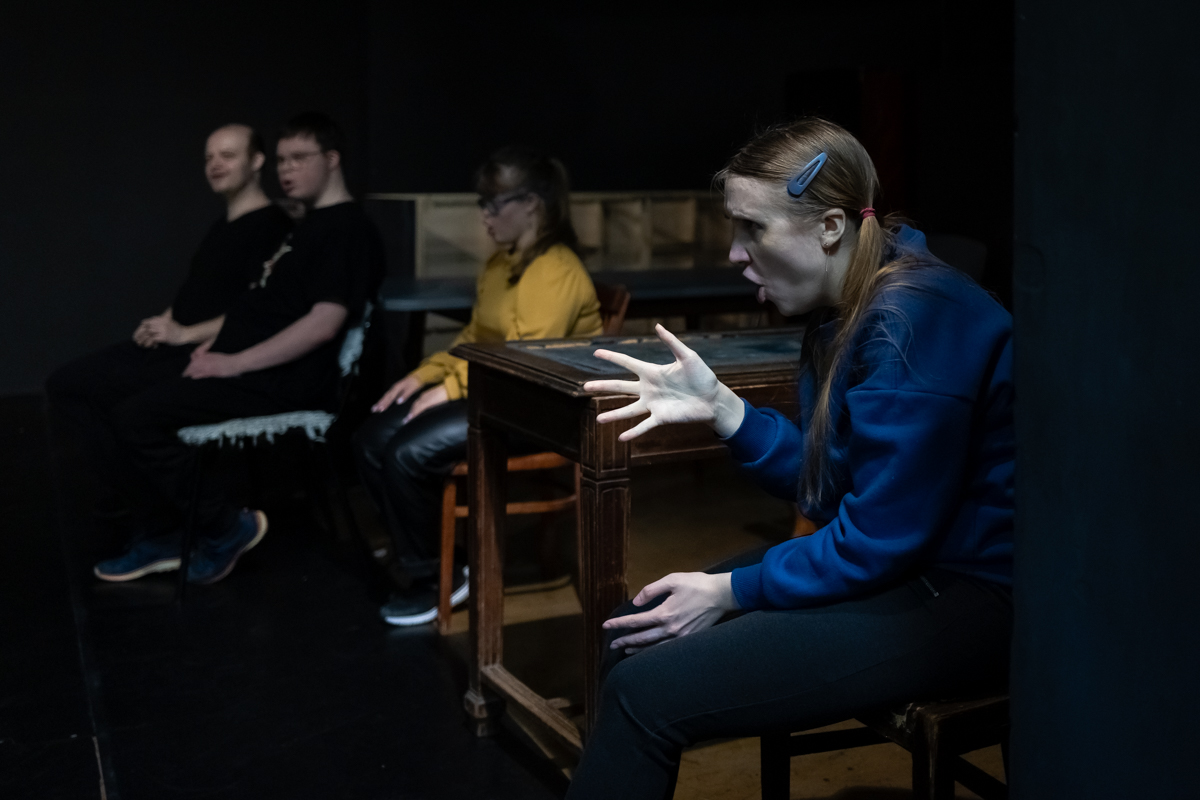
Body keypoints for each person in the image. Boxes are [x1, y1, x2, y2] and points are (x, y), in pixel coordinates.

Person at [565, 119, 1014, 799]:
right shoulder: (850, 302)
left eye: (752, 228)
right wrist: (726, 410)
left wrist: (727, 591)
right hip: (908, 564)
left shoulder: (914, 321)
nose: (735, 252)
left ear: (830, 228)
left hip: (969, 593)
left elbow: (877, 540)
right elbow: (828, 489)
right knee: (636, 630)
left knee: (642, 693)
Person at [92, 112, 385, 585]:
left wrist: (232, 363)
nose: (286, 170)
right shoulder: (309, 225)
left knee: (135, 416)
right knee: (114, 393)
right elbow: (270, 306)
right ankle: (170, 531)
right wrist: (212, 344)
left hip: (280, 381)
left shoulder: (346, 230)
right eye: (282, 160)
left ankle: (222, 528)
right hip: (243, 366)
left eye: (299, 158)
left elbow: (322, 325)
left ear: (332, 160)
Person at [354, 146, 602, 626]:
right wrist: (424, 375)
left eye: (494, 204)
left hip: (538, 408)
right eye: (482, 204)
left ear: (531, 204)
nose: (484, 216)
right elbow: (475, 338)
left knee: (406, 452)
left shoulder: (554, 269)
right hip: (496, 392)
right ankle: (426, 549)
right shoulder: (501, 264)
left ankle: (439, 575)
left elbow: (523, 360)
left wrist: (449, 389)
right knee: (370, 440)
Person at [46, 124, 293, 516]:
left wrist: (183, 333)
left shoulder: (272, 227)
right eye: (209, 157)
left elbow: (256, 312)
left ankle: (159, 515)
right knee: (65, 382)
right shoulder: (222, 226)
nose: (215, 164)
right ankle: (133, 504)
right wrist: (161, 323)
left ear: (257, 161)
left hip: (207, 352)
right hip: (175, 342)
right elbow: (198, 294)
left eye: (228, 155)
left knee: (109, 396)